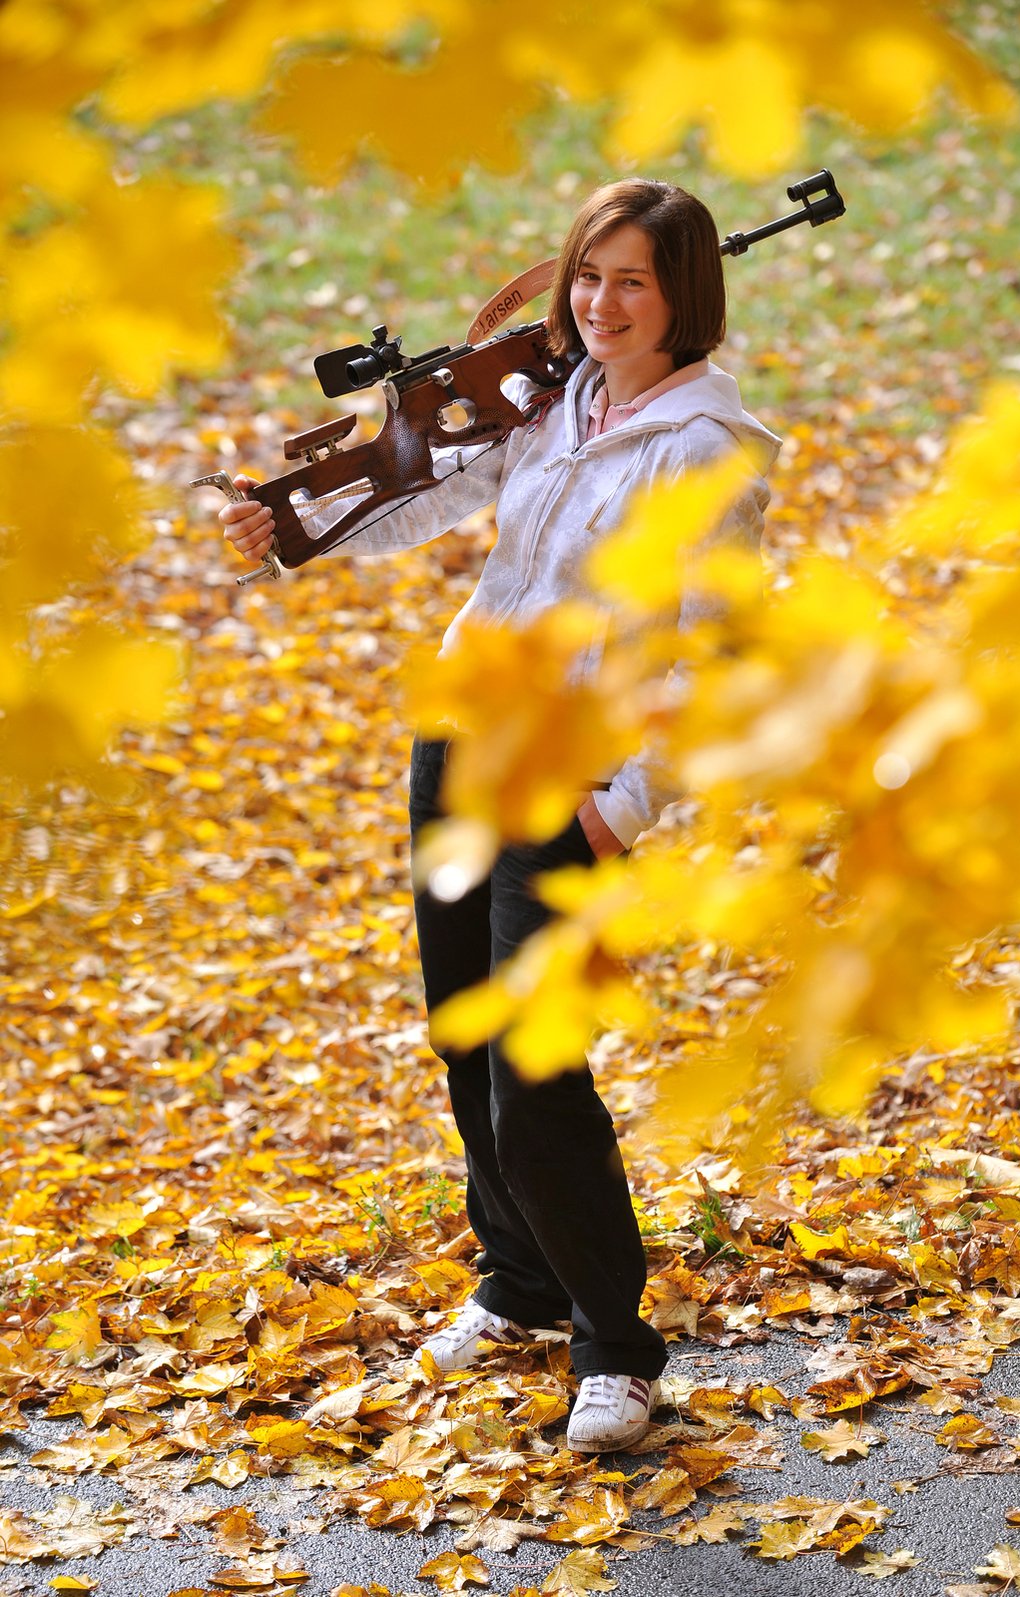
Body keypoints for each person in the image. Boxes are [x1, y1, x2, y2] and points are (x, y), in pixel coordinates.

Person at [219, 179, 780, 1452]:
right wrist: (293, 532)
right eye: (589, 275)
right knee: (464, 1037)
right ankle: (520, 1284)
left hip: (570, 779)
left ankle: (617, 1348)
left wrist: (621, 810)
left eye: (633, 280)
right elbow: (424, 501)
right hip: (462, 738)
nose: (602, 303)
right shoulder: (555, 402)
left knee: (535, 1064)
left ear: (687, 295)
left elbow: (718, 657)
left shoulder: (704, 452)